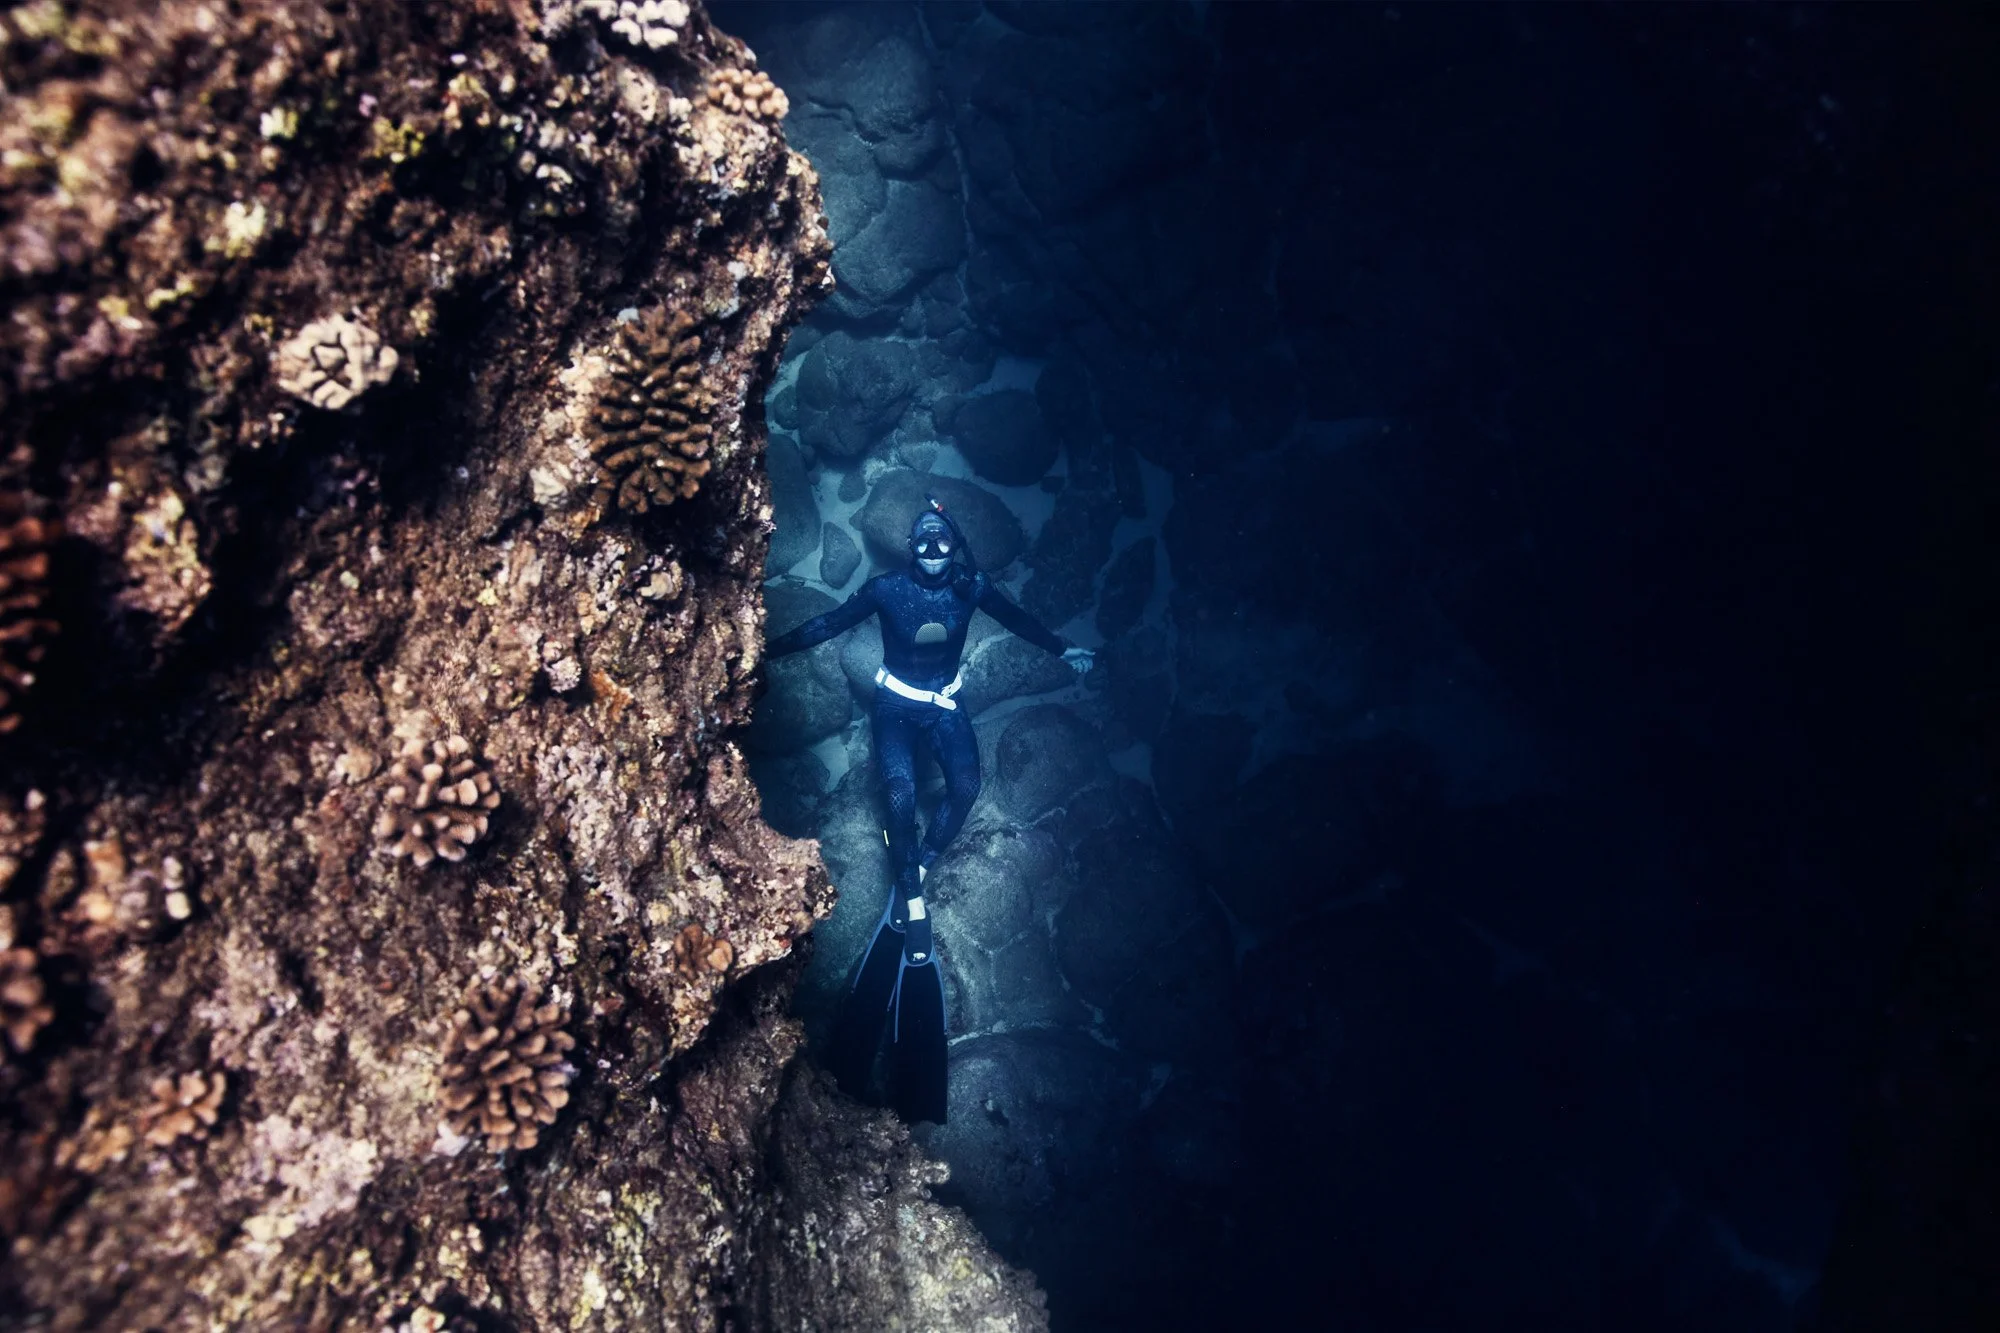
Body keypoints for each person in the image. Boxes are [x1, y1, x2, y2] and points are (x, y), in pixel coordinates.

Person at [763, 497, 1092, 1122]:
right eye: (923, 540)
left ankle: (922, 863)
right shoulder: (886, 589)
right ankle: (909, 890)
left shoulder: (973, 587)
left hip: (945, 703)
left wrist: (1063, 648)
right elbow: (827, 624)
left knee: (966, 787)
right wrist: (763, 650)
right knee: (900, 795)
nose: (932, 548)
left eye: (942, 539)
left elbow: (1018, 619)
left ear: (955, 546)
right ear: (910, 550)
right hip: (894, 705)